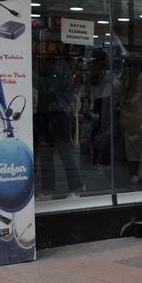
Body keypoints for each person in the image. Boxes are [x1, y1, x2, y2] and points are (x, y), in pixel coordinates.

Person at [35, 39, 83, 198]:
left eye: (46, 43)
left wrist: (30, 75)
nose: (42, 46)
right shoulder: (45, 62)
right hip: (46, 112)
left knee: (63, 151)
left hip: (57, 112)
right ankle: (48, 189)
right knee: (46, 153)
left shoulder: (58, 64)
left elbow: (49, 86)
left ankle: (75, 188)